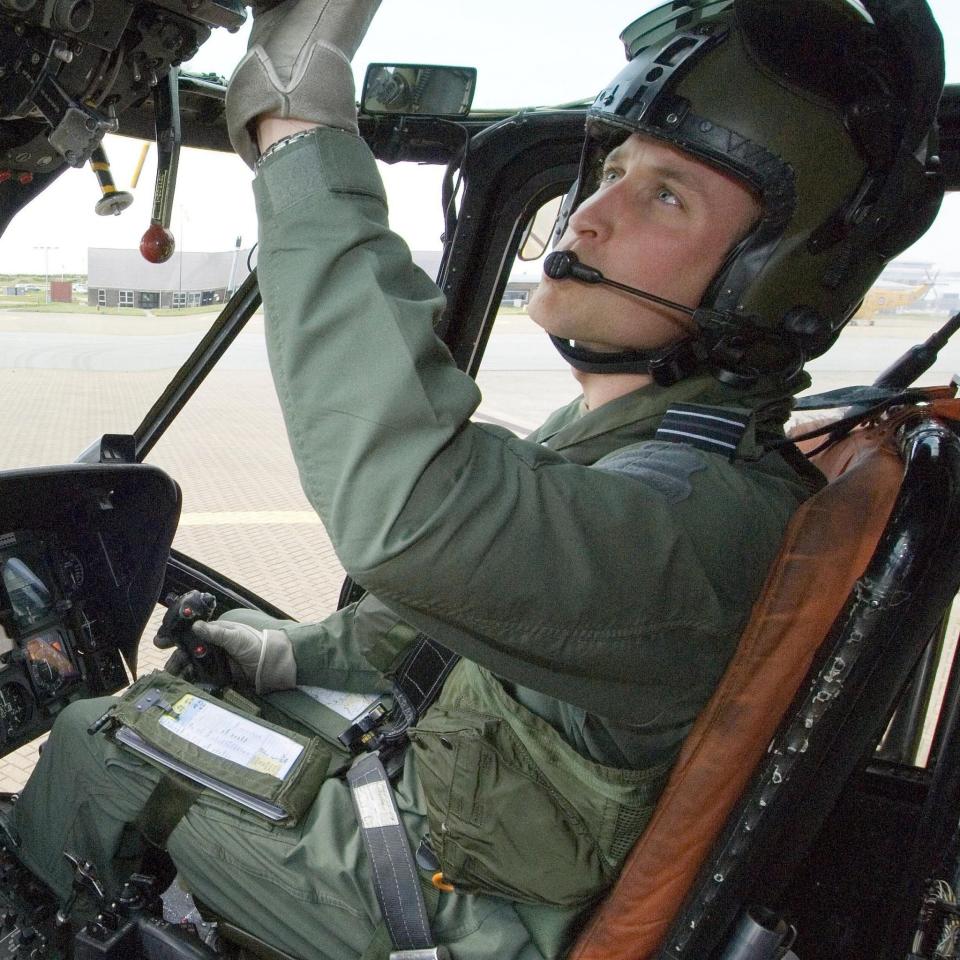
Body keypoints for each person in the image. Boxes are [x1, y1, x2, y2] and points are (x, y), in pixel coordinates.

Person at [8, 1, 945, 958]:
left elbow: (413, 511)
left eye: (667, 195)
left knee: (96, 738)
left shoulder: (698, 518)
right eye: (612, 168)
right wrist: (297, 653)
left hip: (472, 908)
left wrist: (298, 136)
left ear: (765, 274)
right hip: (464, 820)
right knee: (216, 674)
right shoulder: (641, 449)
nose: (591, 211)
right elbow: (452, 620)